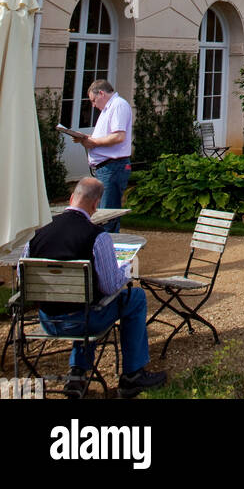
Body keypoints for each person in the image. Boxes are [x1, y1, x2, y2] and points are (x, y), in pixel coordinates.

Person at [20, 176, 167, 399]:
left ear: (71, 198)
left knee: (85, 299)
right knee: (134, 297)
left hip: (48, 320)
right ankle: (133, 375)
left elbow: (24, 279)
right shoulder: (98, 238)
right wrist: (125, 271)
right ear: (96, 204)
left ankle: (77, 373)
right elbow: (109, 287)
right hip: (83, 321)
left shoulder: (37, 235)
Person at [66, 79, 132, 233]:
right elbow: (108, 135)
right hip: (106, 167)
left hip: (113, 166)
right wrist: (86, 139)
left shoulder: (118, 106)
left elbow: (118, 137)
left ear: (101, 93)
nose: (93, 105)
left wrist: (93, 142)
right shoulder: (108, 109)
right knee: (103, 213)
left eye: (94, 100)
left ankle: (108, 249)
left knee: (107, 216)